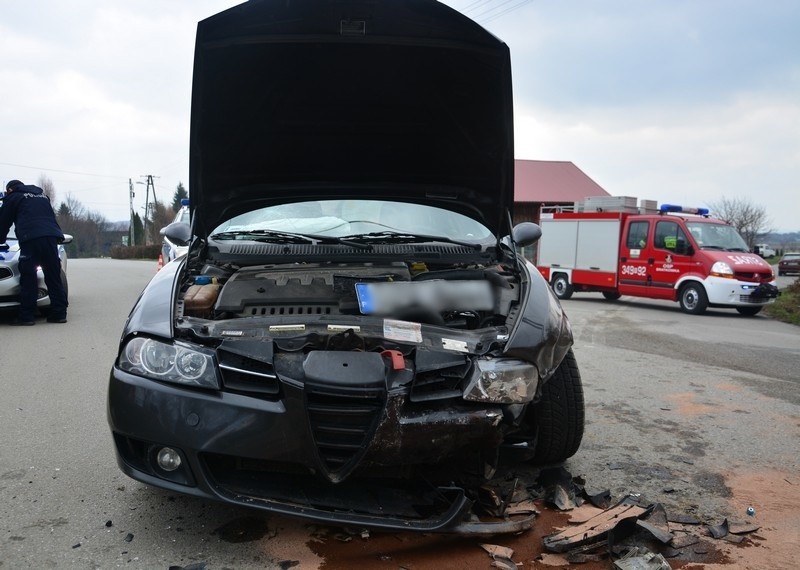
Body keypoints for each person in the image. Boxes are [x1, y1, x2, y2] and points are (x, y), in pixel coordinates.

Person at [0, 180, 69, 325]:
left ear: (10, 190)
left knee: (28, 276)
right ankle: (59, 314)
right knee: (53, 275)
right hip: (51, 237)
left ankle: (26, 317)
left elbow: (3, 222)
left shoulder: (13, 197)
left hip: (30, 239)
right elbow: (49, 218)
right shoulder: (42, 196)